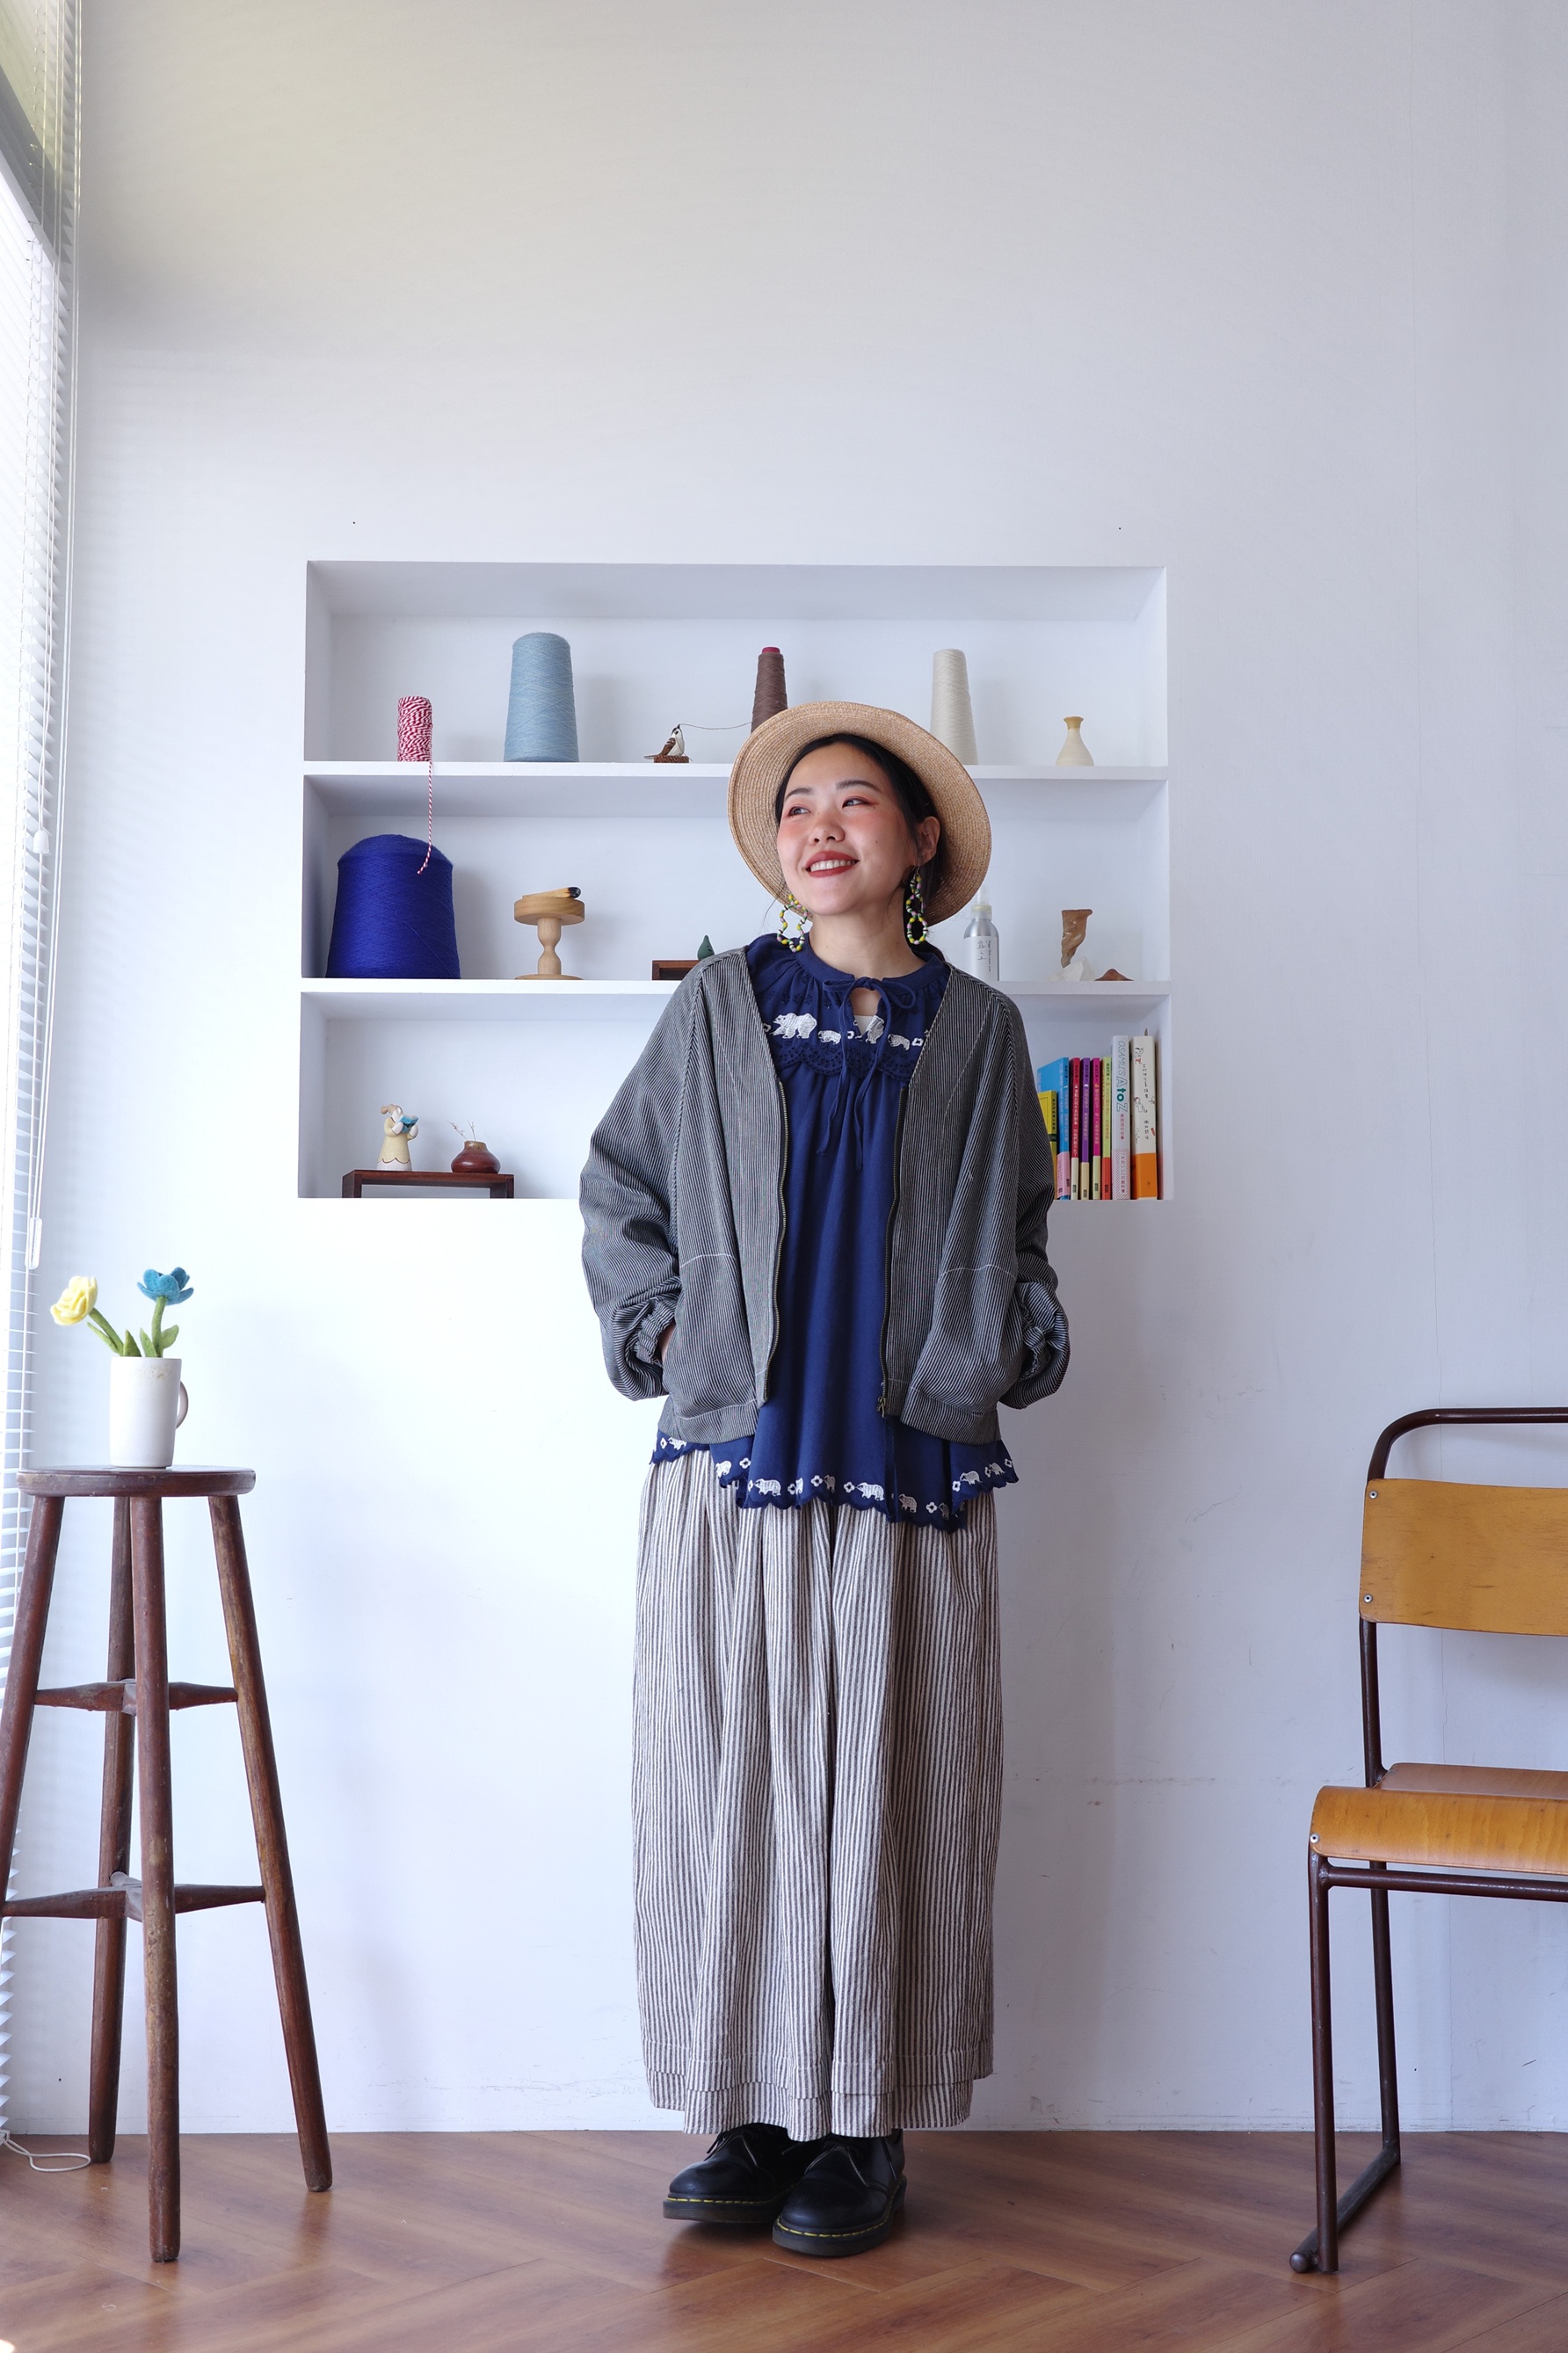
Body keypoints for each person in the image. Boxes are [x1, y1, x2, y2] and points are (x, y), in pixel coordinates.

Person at [580, 701, 1068, 2257]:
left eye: (855, 801)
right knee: (729, 1784)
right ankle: (750, 2113)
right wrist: (665, 1327)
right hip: (736, 1463)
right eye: (798, 807)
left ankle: (863, 2121)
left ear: (917, 842)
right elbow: (621, 1184)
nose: (820, 825)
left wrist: (1016, 1338)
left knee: (895, 1790)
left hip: (912, 1467)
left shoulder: (981, 1030)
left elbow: (1024, 1233)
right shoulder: (718, 1007)